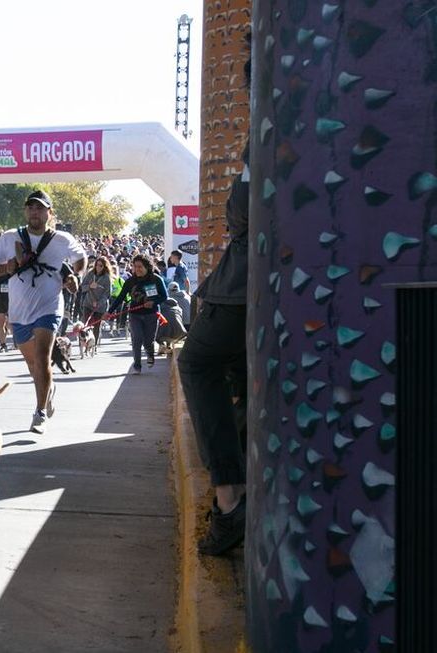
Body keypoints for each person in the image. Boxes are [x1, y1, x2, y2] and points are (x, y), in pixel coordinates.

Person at [178, 141, 250, 556]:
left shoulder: (268, 123)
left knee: (198, 364)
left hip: (241, 287)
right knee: (239, 373)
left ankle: (230, 498)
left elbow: (242, 213)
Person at [0, 190, 86, 433]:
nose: (34, 212)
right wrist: (5, 268)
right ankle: (47, 390)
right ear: (25, 211)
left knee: (42, 358)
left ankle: (39, 412)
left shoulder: (62, 239)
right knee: (33, 365)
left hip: (49, 306)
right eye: (30, 207)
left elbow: (81, 258)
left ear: (50, 213)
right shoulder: (10, 238)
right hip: (18, 312)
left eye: (40, 208)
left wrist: (75, 276)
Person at [108, 254, 168, 373]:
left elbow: (164, 296)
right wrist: (109, 312)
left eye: (140, 267)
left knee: (148, 340)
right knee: (137, 338)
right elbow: (120, 298)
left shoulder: (156, 279)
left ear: (147, 267)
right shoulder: (130, 281)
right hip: (135, 314)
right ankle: (137, 364)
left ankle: (150, 354)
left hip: (151, 314)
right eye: (135, 266)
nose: (137, 269)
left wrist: (153, 302)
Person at [79, 257, 111, 343]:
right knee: (87, 324)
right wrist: (89, 286)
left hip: (99, 306)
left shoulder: (106, 278)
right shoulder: (90, 274)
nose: (98, 267)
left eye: (101, 266)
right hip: (88, 303)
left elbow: (107, 294)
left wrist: (98, 303)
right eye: (97, 265)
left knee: (96, 326)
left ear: (104, 267)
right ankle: (86, 342)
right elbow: (82, 287)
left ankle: (95, 344)